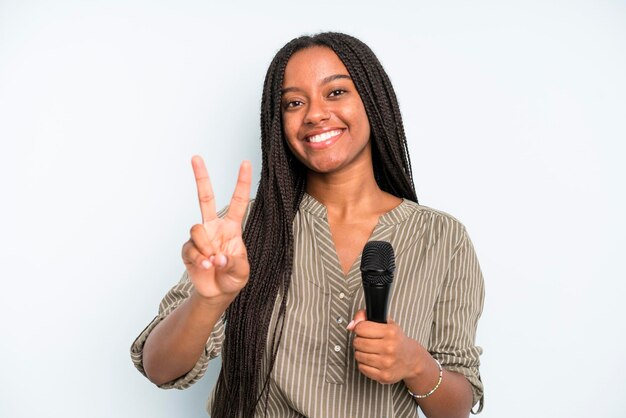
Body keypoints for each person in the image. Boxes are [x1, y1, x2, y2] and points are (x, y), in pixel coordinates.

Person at [131, 32, 484, 418]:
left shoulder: (442, 238)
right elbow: (160, 368)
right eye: (294, 103)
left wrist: (416, 364)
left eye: (335, 93)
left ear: (373, 99)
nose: (315, 114)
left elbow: (456, 407)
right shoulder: (244, 229)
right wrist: (209, 300)